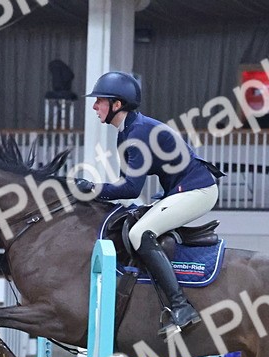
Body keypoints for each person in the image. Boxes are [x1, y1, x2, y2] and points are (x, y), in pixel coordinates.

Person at [72, 71, 220, 338]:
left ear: (117, 105)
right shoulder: (127, 132)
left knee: (140, 233)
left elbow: (130, 188)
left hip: (198, 190)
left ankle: (181, 307)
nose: (94, 106)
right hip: (181, 190)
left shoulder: (137, 133)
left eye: (100, 101)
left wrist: (93, 189)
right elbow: (126, 183)